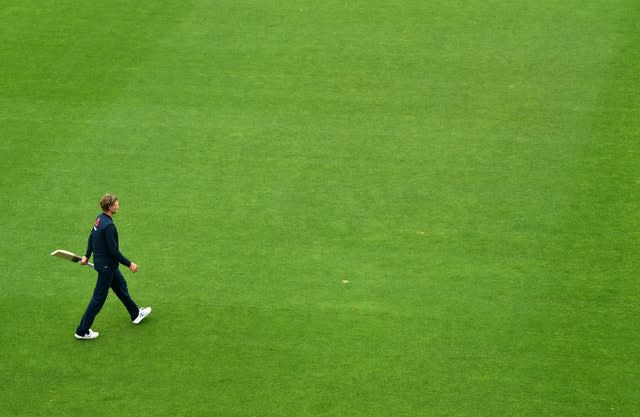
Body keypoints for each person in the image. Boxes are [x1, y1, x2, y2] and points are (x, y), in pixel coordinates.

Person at [75, 194, 151, 340]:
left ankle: (135, 314)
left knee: (121, 286)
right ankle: (82, 331)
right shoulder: (109, 226)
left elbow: (92, 236)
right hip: (107, 268)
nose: (118, 205)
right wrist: (130, 264)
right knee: (98, 299)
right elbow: (113, 251)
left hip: (105, 265)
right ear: (110, 207)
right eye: (116, 203)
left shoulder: (99, 219)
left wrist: (87, 255)